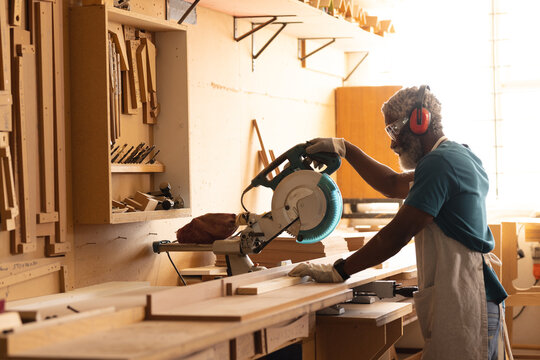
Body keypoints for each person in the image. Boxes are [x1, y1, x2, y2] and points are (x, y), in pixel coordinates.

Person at [288, 85, 508, 360]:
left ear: (419, 122)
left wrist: (340, 270)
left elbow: (397, 235)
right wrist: (345, 149)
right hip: (468, 294)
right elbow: (392, 184)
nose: (392, 142)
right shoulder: (456, 155)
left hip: (466, 299)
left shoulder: (440, 164)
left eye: (394, 130)